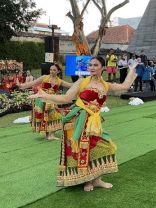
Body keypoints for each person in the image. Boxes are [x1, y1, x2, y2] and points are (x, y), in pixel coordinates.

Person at [29, 56, 138, 191]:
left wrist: (132, 69)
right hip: (78, 120)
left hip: (94, 123)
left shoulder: (106, 85)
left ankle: (96, 180)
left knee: (105, 146)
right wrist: (44, 96)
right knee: (82, 149)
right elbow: (66, 98)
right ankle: (87, 181)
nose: (91, 67)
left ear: (103, 68)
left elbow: (124, 86)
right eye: (90, 65)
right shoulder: (82, 82)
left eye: (95, 65)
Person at [18, 64, 73, 140]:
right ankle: (48, 135)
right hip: (42, 99)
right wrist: (21, 85)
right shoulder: (44, 77)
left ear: (58, 71)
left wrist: (81, 82)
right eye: (51, 70)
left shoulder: (59, 81)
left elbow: (71, 85)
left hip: (52, 100)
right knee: (45, 117)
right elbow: (32, 83)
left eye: (54, 70)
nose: (52, 71)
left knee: (55, 116)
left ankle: (52, 135)